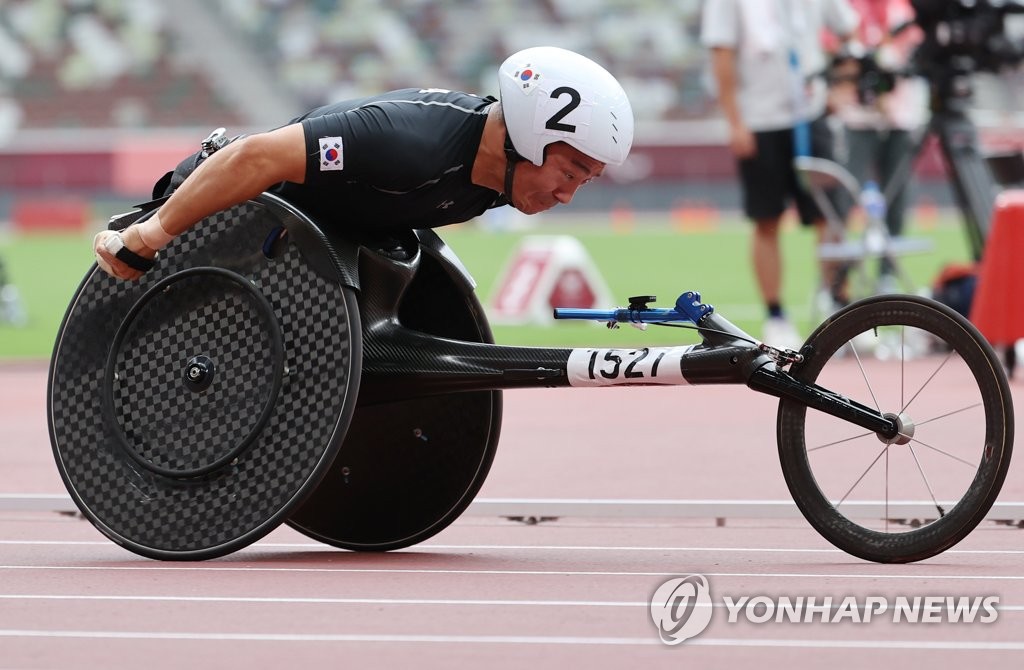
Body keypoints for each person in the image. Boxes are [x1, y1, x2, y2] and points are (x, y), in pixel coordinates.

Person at [93, 46, 634, 280]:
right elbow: (256, 154)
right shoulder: (406, 142)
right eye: (569, 174)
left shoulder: (501, 176)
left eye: (583, 183)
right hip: (222, 219)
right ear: (524, 139)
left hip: (306, 250)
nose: (566, 196)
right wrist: (151, 235)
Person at [701, 0, 859, 350]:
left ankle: (838, 312)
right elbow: (721, 55)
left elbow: (850, 30)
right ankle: (776, 317)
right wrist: (735, 121)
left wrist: (842, 88)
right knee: (766, 220)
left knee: (830, 218)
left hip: (812, 113)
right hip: (760, 119)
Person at [827, 0, 927, 293]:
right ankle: (839, 277)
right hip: (858, 119)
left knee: (897, 198)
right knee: (845, 196)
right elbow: (836, 56)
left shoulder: (903, 8)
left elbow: (913, 56)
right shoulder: (848, 8)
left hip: (899, 119)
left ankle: (887, 273)